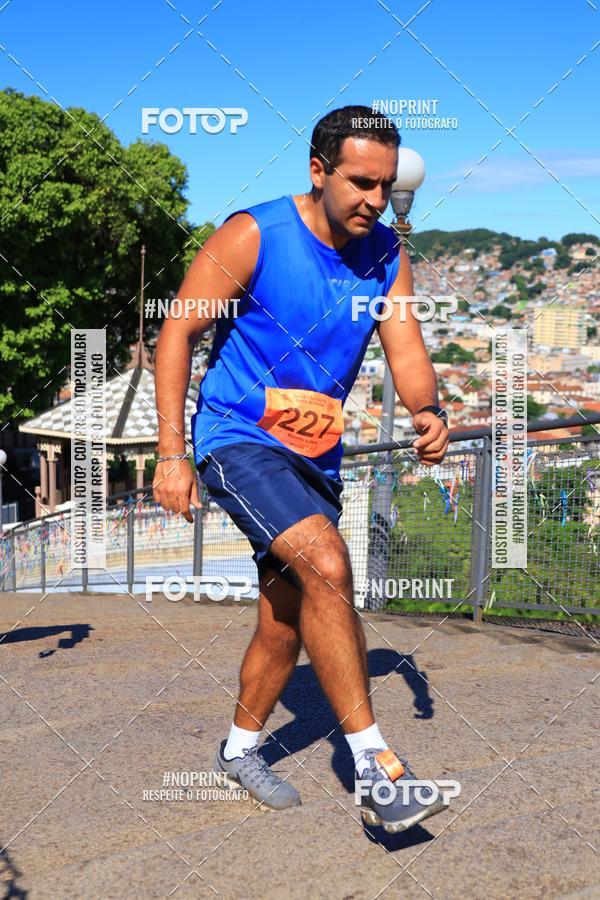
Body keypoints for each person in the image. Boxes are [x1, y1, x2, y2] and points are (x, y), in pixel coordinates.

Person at [153, 105, 451, 832]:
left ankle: (238, 750)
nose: (375, 200)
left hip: (316, 458)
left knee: (286, 617)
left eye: (385, 186)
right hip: (238, 438)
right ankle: (376, 770)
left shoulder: (386, 254)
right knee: (327, 563)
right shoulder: (254, 234)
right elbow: (177, 331)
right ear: (318, 171)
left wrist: (427, 409)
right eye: (360, 183)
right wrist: (171, 453)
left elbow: (406, 346)